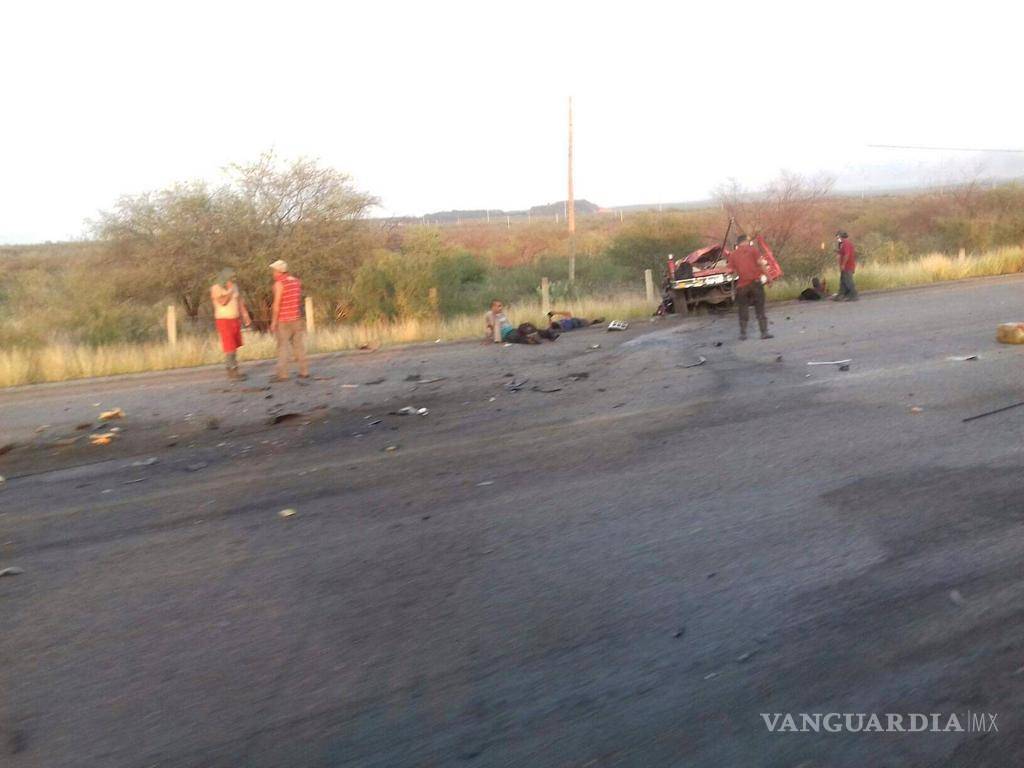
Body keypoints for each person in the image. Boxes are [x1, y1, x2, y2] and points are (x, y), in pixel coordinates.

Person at [726, 233, 774, 340]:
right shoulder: (753, 250)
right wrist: (769, 278)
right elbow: (761, 264)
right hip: (755, 283)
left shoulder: (733, 255)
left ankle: (743, 334)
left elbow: (730, 270)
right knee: (760, 308)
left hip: (742, 286)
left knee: (743, 309)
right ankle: (764, 333)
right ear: (746, 241)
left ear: (738, 244)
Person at [269, 259, 310, 381]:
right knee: (299, 346)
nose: (273, 273)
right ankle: (304, 371)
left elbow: (277, 305)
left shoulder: (279, 284)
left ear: (278, 271)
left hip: (284, 319)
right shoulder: (296, 282)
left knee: (283, 347)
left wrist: (273, 322)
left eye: (274, 271)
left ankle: (283, 374)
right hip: (296, 318)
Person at [210, 268, 252, 380]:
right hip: (223, 320)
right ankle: (232, 372)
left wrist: (245, 315)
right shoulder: (216, 288)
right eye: (231, 277)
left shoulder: (234, 287)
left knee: (235, 345)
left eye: (233, 277)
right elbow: (222, 302)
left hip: (235, 319)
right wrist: (230, 291)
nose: (233, 279)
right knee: (229, 346)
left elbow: (239, 301)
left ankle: (234, 370)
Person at [834, 231, 858, 301]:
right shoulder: (843, 244)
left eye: (838, 237)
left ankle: (853, 295)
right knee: (843, 281)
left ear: (841, 236)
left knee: (848, 281)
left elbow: (847, 255)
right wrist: (837, 251)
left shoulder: (846, 243)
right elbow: (843, 253)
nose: (837, 239)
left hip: (848, 266)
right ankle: (841, 295)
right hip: (845, 266)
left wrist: (843, 264)